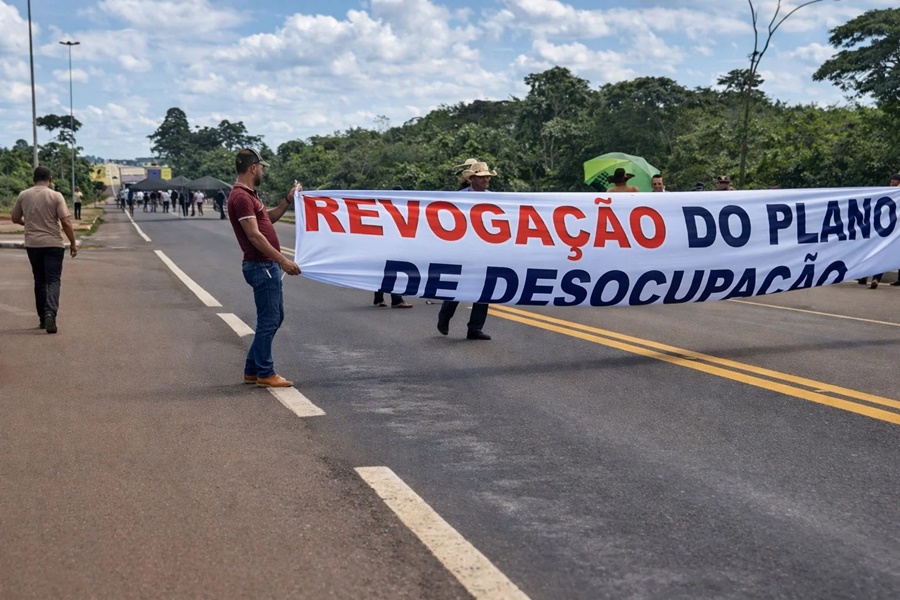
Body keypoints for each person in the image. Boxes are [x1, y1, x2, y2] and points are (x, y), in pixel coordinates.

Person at [227, 148, 302, 388]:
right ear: (252, 168)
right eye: (261, 167)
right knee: (269, 319)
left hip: (266, 266)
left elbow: (267, 220)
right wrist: (282, 260)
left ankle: (252, 369)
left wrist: (288, 200)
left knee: (275, 317)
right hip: (262, 266)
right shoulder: (240, 197)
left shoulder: (250, 195)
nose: (262, 171)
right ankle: (265, 372)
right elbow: (254, 236)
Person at [10, 166, 78, 334]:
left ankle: (42, 319)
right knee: (53, 280)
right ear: (50, 179)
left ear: (34, 178)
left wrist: (27, 224)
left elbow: (14, 218)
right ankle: (50, 314)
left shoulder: (23, 195)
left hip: (33, 244)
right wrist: (73, 243)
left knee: (39, 281)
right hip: (54, 243)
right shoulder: (56, 196)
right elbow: (66, 222)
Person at [436, 161, 496, 341]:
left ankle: (475, 329)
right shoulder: (458, 198)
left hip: (485, 250)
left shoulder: (495, 198)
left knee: (484, 290)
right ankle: (444, 317)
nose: (486, 179)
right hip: (463, 250)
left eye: (487, 176)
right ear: (471, 179)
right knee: (458, 287)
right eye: (481, 177)